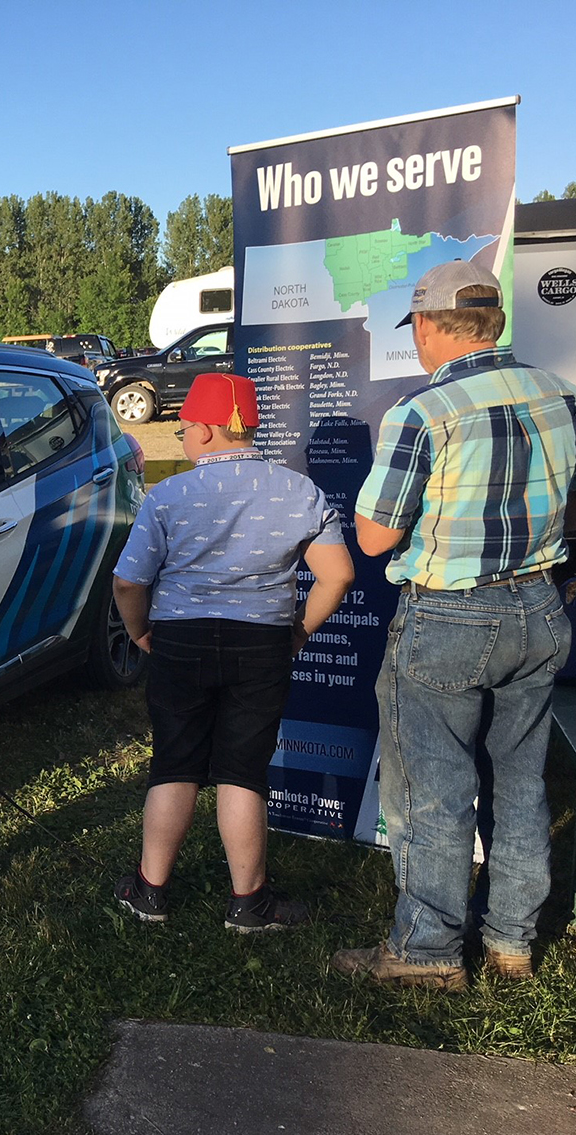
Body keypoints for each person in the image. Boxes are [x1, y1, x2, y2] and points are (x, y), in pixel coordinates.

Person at [332, 259, 576, 990]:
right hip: (540, 606)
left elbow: (376, 536)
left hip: (448, 611)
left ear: (430, 325)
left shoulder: (421, 413)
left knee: (432, 787)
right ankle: (512, 944)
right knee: (520, 781)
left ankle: (426, 953)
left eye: (415, 325)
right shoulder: (567, 397)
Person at [112, 373, 355, 931]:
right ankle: (249, 903)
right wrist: (296, 632)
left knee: (174, 761)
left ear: (201, 429)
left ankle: (150, 892)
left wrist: (140, 631)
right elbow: (337, 576)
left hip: (180, 638)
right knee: (242, 771)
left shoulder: (168, 494)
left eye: (184, 426)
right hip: (261, 643)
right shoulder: (298, 490)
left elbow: (129, 583)